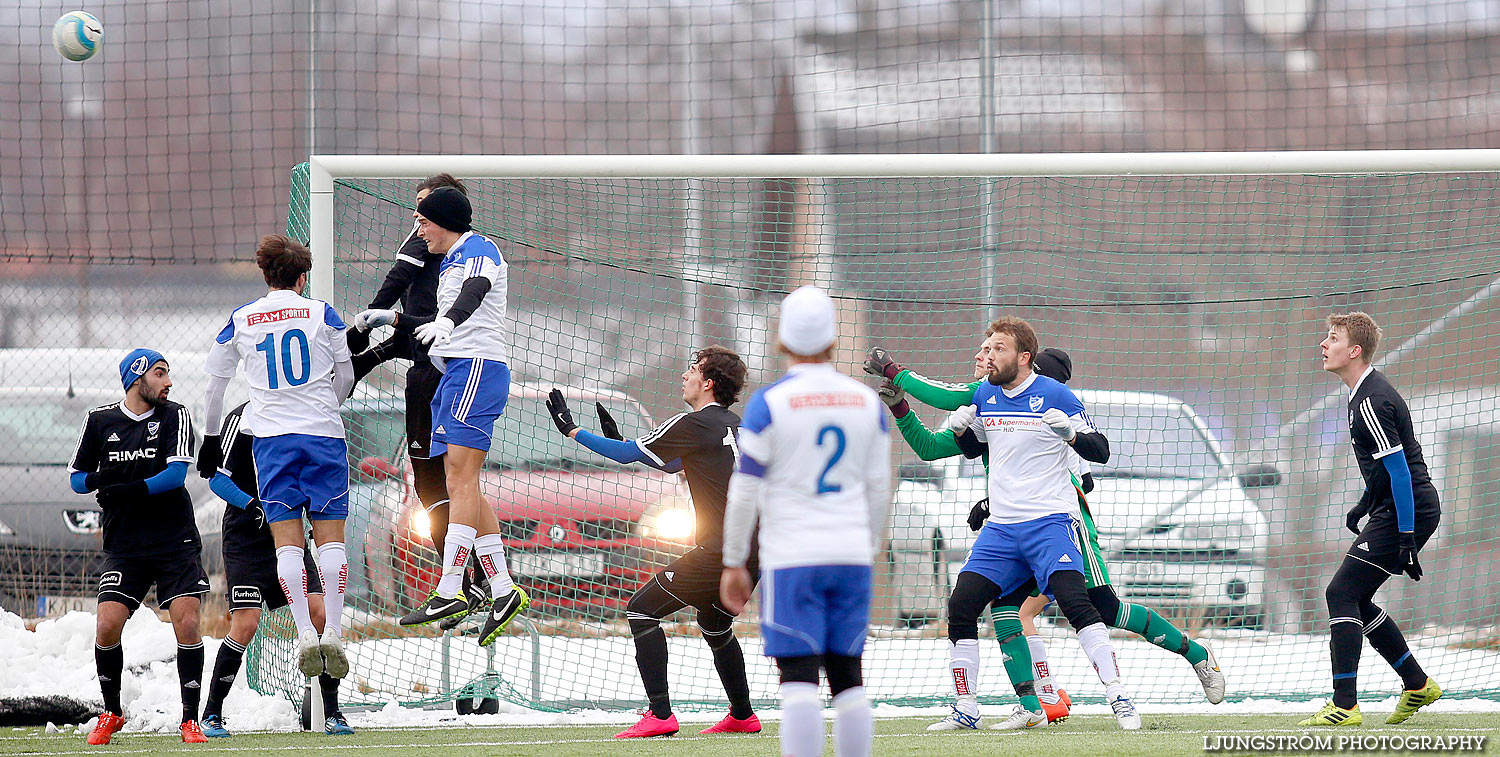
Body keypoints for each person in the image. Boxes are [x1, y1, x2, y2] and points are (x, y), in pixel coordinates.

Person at [874, 341, 1224, 725]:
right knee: (1004, 609)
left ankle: (1193, 654)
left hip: (1062, 527)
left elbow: (1080, 481)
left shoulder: (1050, 415)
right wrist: (901, 408)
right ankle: (1035, 706)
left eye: (993, 351)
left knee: (1102, 609)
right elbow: (928, 448)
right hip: (1013, 530)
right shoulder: (987, 408)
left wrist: (895, 371)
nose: (983, 358)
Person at [546, 347, 761, 738]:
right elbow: (676, 463)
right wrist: (624, 439)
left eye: (692, 370)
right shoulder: (738, 426)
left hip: (721, 550)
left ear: (708, 383)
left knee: (642, 609)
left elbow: (630, 456)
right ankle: (743, 714)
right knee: (713, 624)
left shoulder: (693, 423)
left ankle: (660, 715)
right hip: (755, 551)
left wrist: (572, 430)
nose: (685, 376)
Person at [721, 286, 891, 757]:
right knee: (849, 680)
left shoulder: (768, 403)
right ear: (834, 340)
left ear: (782, 339)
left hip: (793, 557)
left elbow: (744, 492)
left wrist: (735, 560)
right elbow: (879, 487)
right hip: (851, 555)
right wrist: (868, 546)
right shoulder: (865, 402)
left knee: (797, 681)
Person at [358, 186, 528, 645]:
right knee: (464, 484)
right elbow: (432, 323)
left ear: (444, 220)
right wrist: (390, 321)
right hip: (455, 373)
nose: (419, 230)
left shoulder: (478, 249)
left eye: (424, 221)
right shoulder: (450, 259)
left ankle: (452, 587)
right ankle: (501, 588)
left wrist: (449, 322)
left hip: (476, 370)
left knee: (459, 480)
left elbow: (476, 291)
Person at [200, 235, 356, 682]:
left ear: (267, 276)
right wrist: (329, 403)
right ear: (302, 278)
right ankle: (336, 633)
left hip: (272, 440)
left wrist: (212, 437)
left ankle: (306, 633)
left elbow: (214, 383)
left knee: (287, 542)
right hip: (323, 435)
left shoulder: (243, 318)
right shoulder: (323, 313)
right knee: (330, 542)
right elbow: (344, 374)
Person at [1300, 312, 1443, 727]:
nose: (1324, 345)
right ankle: (1417, 685)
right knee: (1355, 599)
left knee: (1339, 592)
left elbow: (1400, 472)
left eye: (1332, 338)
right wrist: (1365, 502)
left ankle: (1344, 704)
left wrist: (1405, 537)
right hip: (1395, 507)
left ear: (1354, 350)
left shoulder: (1371, 401)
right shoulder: (1359, 395)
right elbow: (1384, 467)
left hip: (1408, 509)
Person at [346, 175, 477, 627]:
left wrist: (365, 326)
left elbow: (400, 289)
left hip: (438, 373)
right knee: (452, 484)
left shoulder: (452, 251)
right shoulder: (453, 250)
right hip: (436, 363)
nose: (417, 221)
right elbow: (419, 327)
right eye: (416, 211)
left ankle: (460, 586)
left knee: (436, 483)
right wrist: (369, 351)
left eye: (424, 211)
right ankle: (479, 583)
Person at [69, 349, 208, 744]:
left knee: (188, 621)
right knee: (107, 624)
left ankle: (189, 720)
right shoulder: (99, 420)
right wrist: (100, 478)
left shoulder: (175, 415)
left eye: (169, 374)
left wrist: (127, 489)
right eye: (160, 373)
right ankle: (112, 712)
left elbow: (176, 474)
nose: (168, 382)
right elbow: (76, 479)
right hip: (124, 544)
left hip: (173, 541)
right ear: (136, 378)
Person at [198, 402, 354, 737]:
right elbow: (216, 479)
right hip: (247, 539)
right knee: (246, 623)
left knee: (321, 614)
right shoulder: (243, 419)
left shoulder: (306, 412)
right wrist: (253, 505)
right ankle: (211, 712)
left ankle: (332, 711)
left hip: (288, 534)